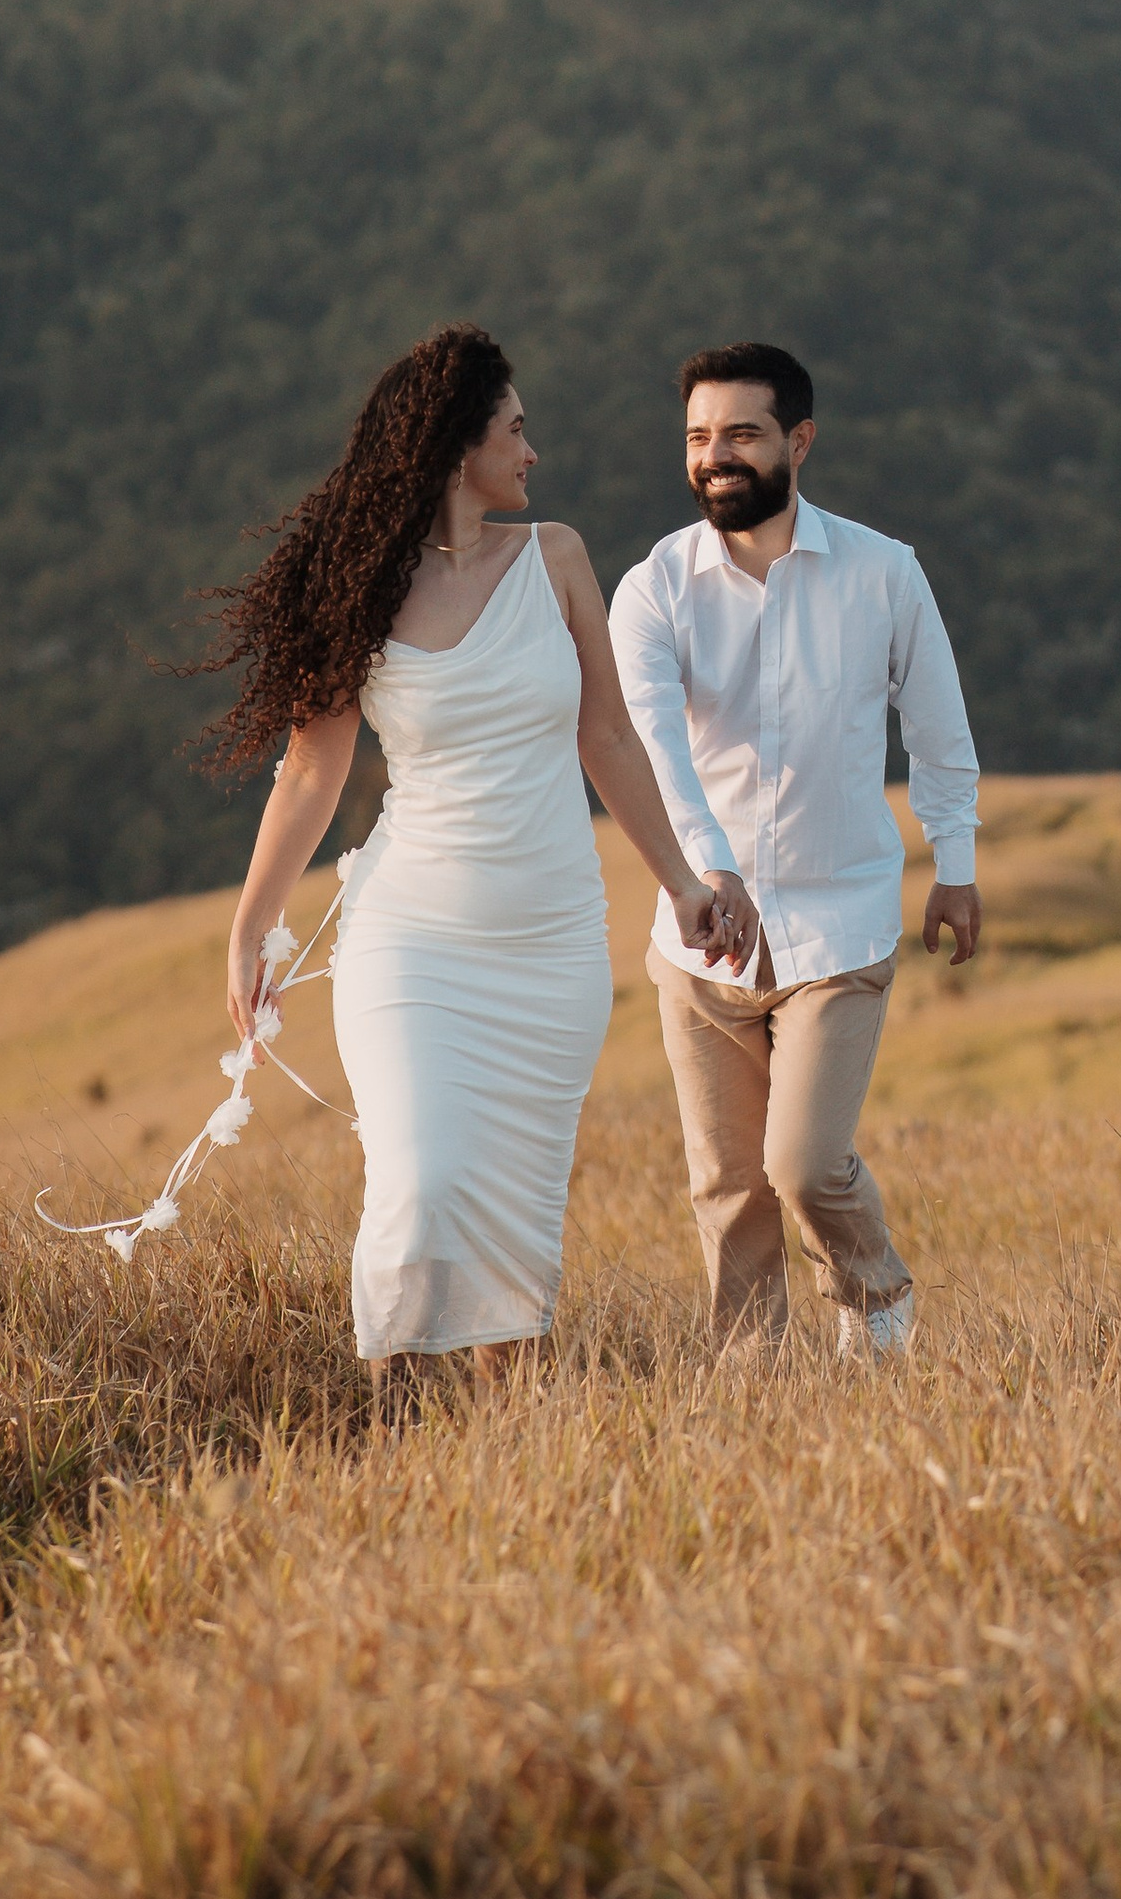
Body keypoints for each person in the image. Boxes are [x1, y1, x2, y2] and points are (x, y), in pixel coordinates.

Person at [196, 323, 753, 1390]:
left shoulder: (556, 558)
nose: (532, 452)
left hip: (549, 948)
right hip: (413, 942)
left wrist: (681, 883)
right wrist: (247, 930)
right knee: (420, 1182)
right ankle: (393, 1415)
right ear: (461, 446)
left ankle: (507, 1442)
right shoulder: (362, 587)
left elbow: (607, 737)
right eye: (515, 430)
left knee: (513, 1214)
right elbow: (311, 772)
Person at [609, 339, 981, 1359]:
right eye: (696, 436)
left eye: (740, 433)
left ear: (798, 441)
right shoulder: (652, 589)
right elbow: (652, 746)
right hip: (700, 939)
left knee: (804, 1163)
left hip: (839, 917)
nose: (714, 455)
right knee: (726, 1187)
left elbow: (939, 733)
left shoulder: (883, 572)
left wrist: (955, 866)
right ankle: (752, 1386)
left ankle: (876, 1301)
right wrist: (704, 872)